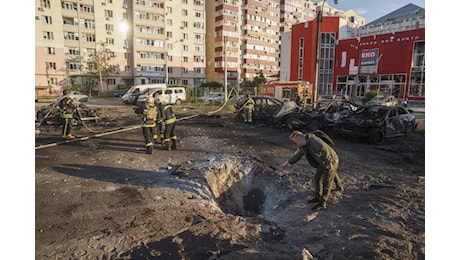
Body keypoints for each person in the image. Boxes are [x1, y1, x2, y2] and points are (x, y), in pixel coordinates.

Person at [279, 130, 343, 211]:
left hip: (331, 160)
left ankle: (322, 203)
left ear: (300, 140)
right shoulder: (304, 145)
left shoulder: (313, 142)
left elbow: (324, 151)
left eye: (296, 142)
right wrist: (288, 162)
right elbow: (298, 155)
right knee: (318, 178)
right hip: (323, 161)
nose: (296, 144)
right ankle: (318, 196)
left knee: (326, 181)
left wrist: (329, 163)